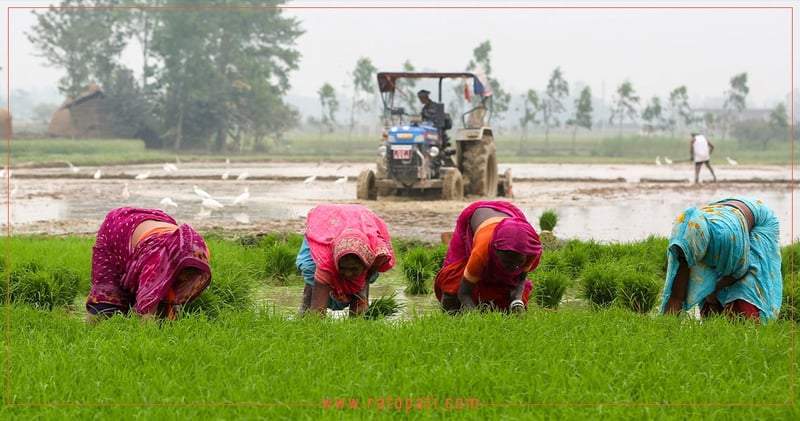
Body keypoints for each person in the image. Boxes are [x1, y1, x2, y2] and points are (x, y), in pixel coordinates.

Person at [659, 198, 782, 323]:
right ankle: (715, 327)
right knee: (704, 285)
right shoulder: (681, 244)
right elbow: (676, 296)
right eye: (682, 255)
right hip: (717, 215)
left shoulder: (727, 239)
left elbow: (741, 271)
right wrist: (666, 329)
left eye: (685, 256)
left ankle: (747, 329)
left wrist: (714, 288)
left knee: (745, 292)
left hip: (757, 220)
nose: (683, 258)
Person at [86, 207, 212, 322]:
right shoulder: (155, 262)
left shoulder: (199, 253)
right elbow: (148, 313)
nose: (185, 278)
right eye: (185, 273)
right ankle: (91, 326)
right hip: (117, 227)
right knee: (107, 300)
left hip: (157, 223)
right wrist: (149, 336)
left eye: (190, 273)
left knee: (164, 296)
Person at [434, 201, 542, 314]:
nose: (513, 267)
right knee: (452, 281)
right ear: (495, 251)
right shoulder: (481, 251)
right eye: (507, 262)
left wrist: (517, 301)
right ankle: (449, 317)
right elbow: (464, 292)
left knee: (507, 285)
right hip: (474, 218)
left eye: (518, 263)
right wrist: (476, 319)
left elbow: (520, 280)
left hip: (511, 216)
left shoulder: (529, 249)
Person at [296, 204, 395, 317]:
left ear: (365, 265)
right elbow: (318, 310)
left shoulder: (377, 255)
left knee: (361, 290)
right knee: (311, 272)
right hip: (326, 223)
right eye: (343, 268)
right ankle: (304, 311)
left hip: (362, 220)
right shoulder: (325, 261)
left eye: (354, 268)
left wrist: (362, 293)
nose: (348, 273)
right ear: (335, 262)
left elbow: (366, 279)